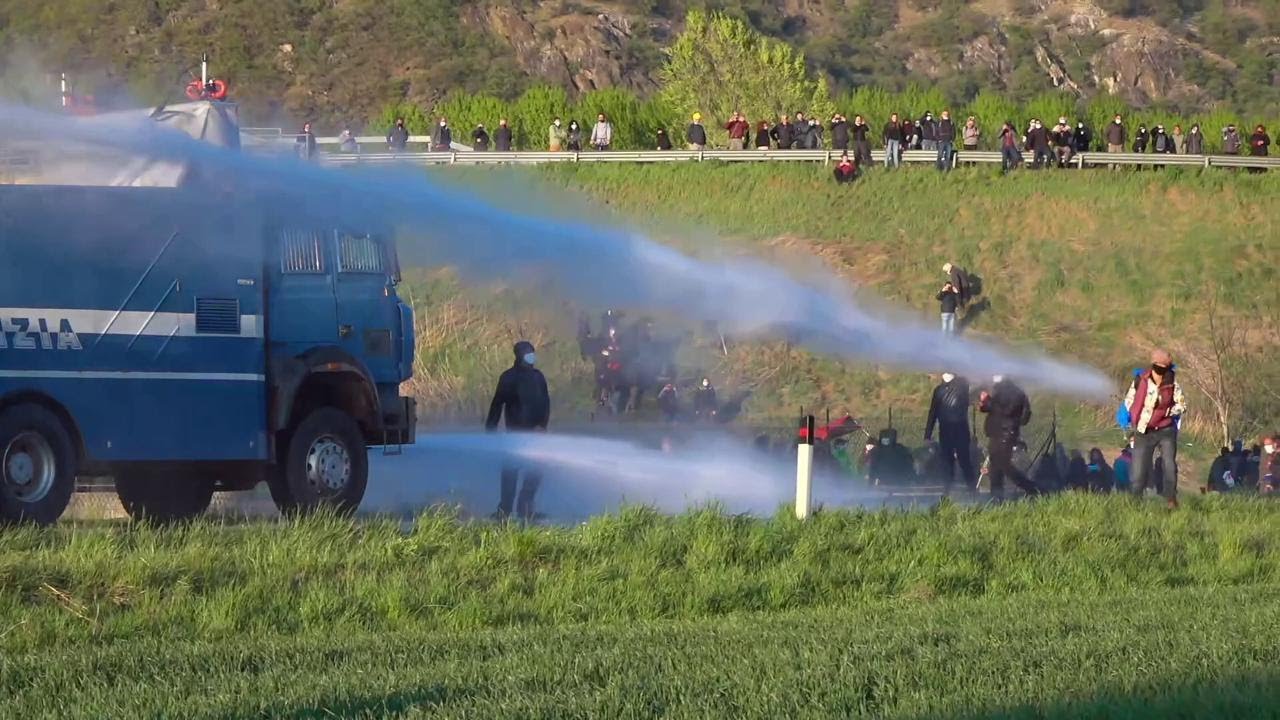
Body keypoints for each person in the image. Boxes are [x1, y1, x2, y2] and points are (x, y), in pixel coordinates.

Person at [484, 340, 551, 521]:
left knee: (535, 472)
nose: (531, 356)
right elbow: (497, 404)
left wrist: (542, 426)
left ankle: (526, 507)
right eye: (527, 353)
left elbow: (545, 403)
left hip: (536, 433)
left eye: (532, 352)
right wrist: (491, 427)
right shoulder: (508, 377)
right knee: (510, 472)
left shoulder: (538, 377)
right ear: (519, 355)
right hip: (515, 433)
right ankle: (504, 510)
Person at [1121, 349, 1186, 509]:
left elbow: (1182, 404)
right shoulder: (1140, 380)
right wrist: (1136, 414)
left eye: (1163, 367)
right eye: (1157, 366)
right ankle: (1135, 503)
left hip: (1166, 429)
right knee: (1138, 471)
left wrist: (1167, 412)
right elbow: (1129, 400)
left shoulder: (1172, 383)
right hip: (1144, 430)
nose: (1160, 370)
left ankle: (1170, 499)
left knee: (1169, 464)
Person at [979, 375, 1040, 499]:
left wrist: (988, 400)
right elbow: (992, 409)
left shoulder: (1013, 393)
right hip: (998, 434)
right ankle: (996, 496)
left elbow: (1006, 411)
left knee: (1004, 466)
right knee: (996, 467)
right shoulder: (1004, 392)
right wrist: (984, 403)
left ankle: (1032, 488)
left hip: (1005, 435)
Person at [925, 372, 974, 494]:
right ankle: (969, 490)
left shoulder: (942, 390)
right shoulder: (961, 387)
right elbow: (933, 412)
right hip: (958, 428)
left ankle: (949, 490)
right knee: (960, 460)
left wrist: (928, 433)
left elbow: (933, 413)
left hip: (949, 428)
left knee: (951, 460)